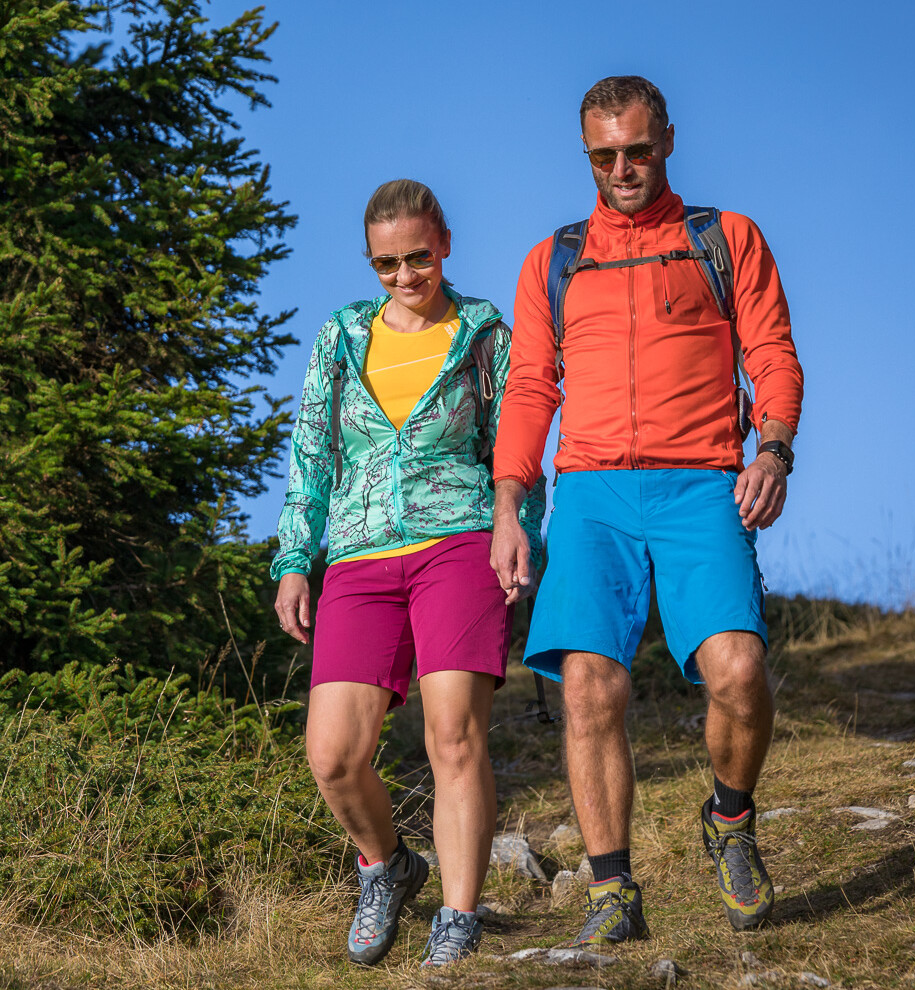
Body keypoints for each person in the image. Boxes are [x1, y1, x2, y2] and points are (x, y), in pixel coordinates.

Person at [488, 76, 805, 945]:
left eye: (636, 150)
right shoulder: (553, 259)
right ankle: (612, 895)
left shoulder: (724, 239)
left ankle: (730, 821)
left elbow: (773, 355)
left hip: (702, 482)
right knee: (591, 687)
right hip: (591, 490)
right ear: (585, 153)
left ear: (667, 138)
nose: (622, 168)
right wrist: (509, 505)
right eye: (603, 156)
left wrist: (773, 450)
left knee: (738, 673)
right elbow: (528, 388)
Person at [272, 179, 545, 968]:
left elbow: (515, 452)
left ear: (445, 244)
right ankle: (387, 867)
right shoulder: (343, 335)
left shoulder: (484, 329)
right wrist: (295, 560)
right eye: (386, 264)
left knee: (452, 734)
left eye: (418, 258)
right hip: (357, 555)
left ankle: (458, 917)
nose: (404, 277)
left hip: (459, 540)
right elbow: (312, 455)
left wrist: (519, 534)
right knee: (333, 754)